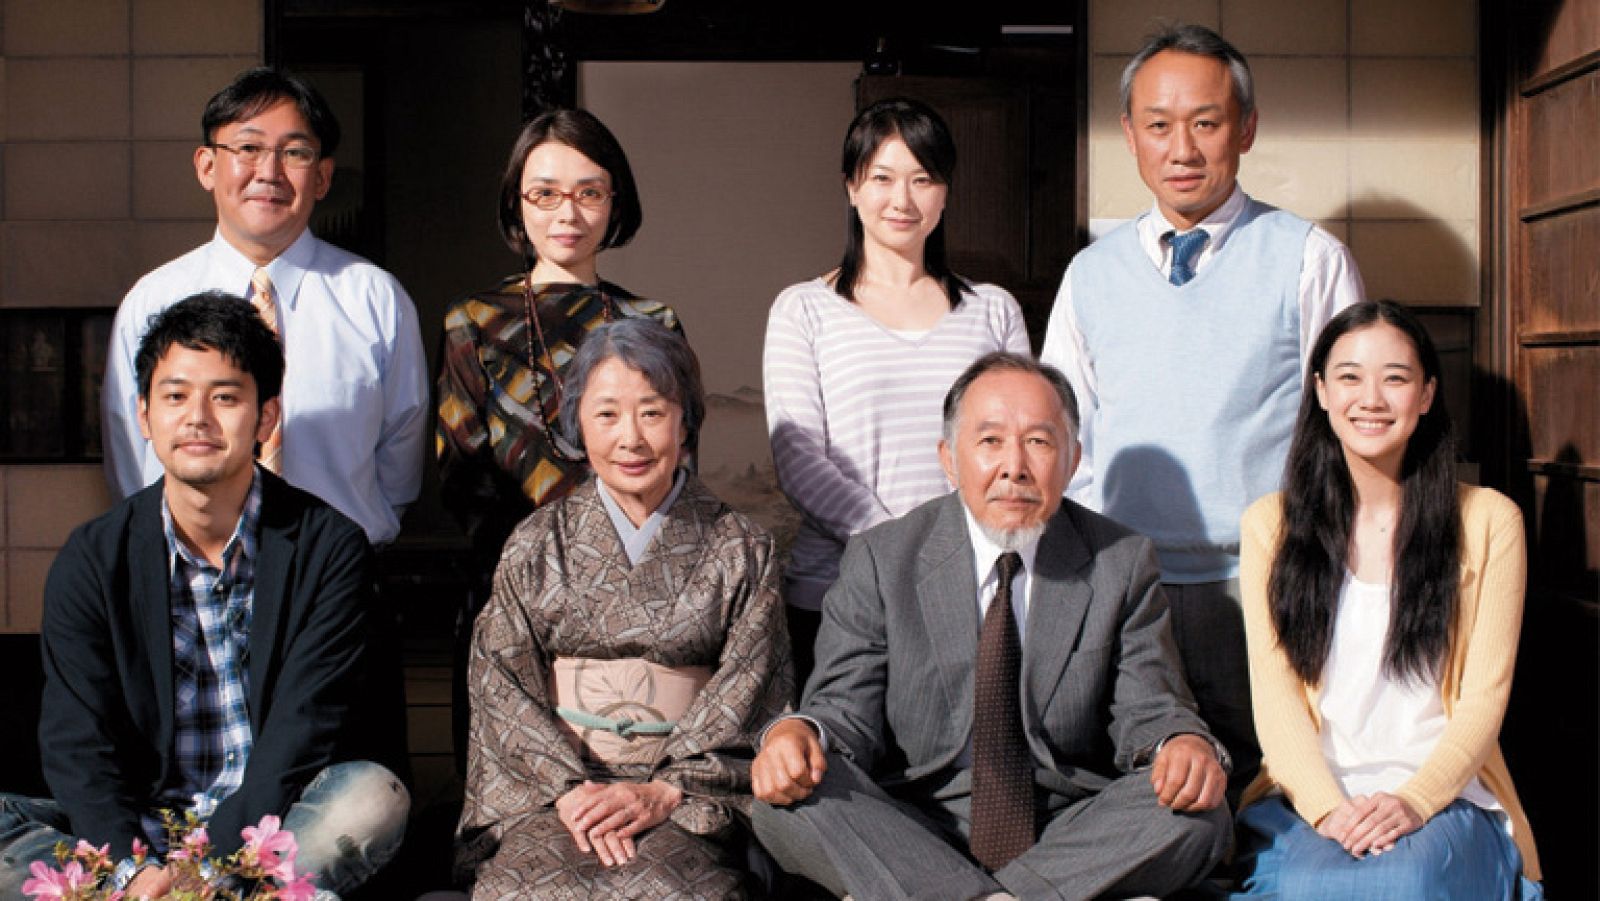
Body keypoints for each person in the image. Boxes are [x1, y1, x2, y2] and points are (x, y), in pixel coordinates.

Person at [752, 352, 1230, 900]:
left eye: (1040, 442)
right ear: (949, 460)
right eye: (990, 442)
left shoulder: (1119, 561)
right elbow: (843, 708)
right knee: (783, 800)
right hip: (912, 824)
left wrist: (1181, 743)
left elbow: (1150, 707)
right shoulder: (883, 559)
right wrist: (797, 734)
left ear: (1072, 460)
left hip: (1071, 828)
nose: (1014, 467)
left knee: (1200, 808)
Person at [1038, 23, 1365, 796]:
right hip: (1129, 591)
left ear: (1245, 129)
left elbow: (1352, 436)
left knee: (1270, 792)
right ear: (1130, 136)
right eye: (1159, 125)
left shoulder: (1309, 258)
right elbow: (1062, 438)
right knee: (1148, 794)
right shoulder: (1090, 274)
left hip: (1264, 586)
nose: (1182, 148)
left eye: (1206, 123)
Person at [0, 294, 408, 899]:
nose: (197, 418)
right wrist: (129, 869)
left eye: (225, 396)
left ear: (266, 417)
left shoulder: (327, 548)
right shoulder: (92, 558)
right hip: (133, 832)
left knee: (373, 797)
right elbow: (75, 740)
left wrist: (207, 865)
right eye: (174, 396)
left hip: (271, 829)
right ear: (143, 414)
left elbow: (303, 729)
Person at [455, 319, 792, 899]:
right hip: (556, 796)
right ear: (577, 425)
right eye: (607, 414)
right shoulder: (537, 543)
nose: (630, 438)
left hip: (685, 801)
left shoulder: (741, 549)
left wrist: (666, 790)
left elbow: (752, 689)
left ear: (685, 421)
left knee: (669, 889)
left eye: (653, 412)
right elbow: (500, 684)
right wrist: (569, 790)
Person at [1233, 300, 1542, 898]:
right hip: (1310, 797)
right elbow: (1275, 704)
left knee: (1405, 881)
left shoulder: (1488, 521)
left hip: (1444, 794)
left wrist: (1415, 801)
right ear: (1321, 391)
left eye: (1394, 378)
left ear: (1426, 394)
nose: (1370, 398)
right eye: (1349, 376)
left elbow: (1485, 699)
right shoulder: (1269, 527)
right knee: (1306, 887)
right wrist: (1328, 810)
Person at [102, 67, 428, 549]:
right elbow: (130, 452)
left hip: (336, 575)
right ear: (207, 166)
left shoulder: (375, 299)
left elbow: (401, 454)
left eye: (294, 152)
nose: (269, 172)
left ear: (322, 177)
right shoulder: (153, 300)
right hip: (185, 579)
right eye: (248, 149)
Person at [764, 97, 1030, 684]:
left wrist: (952, 559)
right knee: (842, 767)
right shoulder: (804, 310)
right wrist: (903, 548)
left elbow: (1021, 446)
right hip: (838, 592)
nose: (901, 200)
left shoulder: (994, 311)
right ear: (851, 188)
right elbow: (798, 457)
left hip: (975, 587)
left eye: (922, 179)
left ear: (945, 192)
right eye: (881, 178)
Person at [436, 107, 683, 581]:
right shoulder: (474, 321)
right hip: (513, 582)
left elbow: (676, 458)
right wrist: (535, 573)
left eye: (589, 193)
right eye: (545, 194)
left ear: (615, 201)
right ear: (517, 202)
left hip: (636, 580)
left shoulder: (655, 323)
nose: (568, 213)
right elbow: (462, 475)